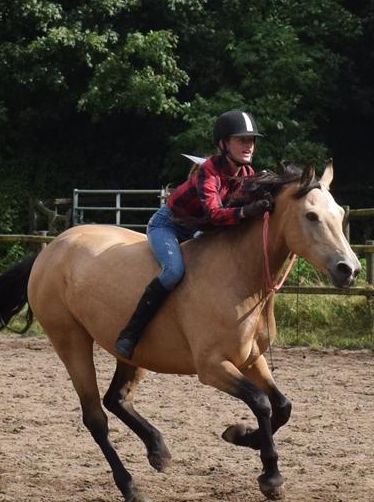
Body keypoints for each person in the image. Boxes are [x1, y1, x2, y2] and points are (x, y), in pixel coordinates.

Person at [113, 109, 273, 359]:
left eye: (251, 140)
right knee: (173, 271)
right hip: (169, 225)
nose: (248, 145)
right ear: (223, 144)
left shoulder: (247, 174)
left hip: (200, 230)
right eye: (241, 139)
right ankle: (130, 334)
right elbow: (214, 214)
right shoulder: (208, 170)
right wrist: (245, 211)